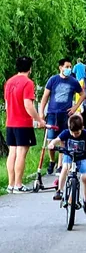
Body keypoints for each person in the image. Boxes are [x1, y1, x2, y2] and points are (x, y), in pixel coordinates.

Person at [4, 56, 46, 194]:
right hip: (23, 123)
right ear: (30, 68)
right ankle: (18, 184)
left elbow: (6, 104)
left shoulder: (9, 82)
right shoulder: (28, 82)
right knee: (21, 153)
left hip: (10, 122)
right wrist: (39, 120)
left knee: (13, 152)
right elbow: (28, 104)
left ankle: (10, 184)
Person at [39, 58, 86, 176]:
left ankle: (60, 166)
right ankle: (51, 161)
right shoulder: (53, 80)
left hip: (65, 114)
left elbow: (83, 94)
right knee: (50, 139)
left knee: (62, 140)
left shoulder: (73, 81)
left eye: (70, 67)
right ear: (61, 67)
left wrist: (75, 107)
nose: (69, 69)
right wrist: (41, 112)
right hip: (52, 113)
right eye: (67, 66)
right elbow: (45, 96)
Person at [48, 114, 86, 214]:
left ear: (82, 128)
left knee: (85, 178)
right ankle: (59, 190)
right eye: (72, 133)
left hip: (81, 158)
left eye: (77, 133)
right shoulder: (66, 133)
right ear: (69, 129)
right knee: (65, 168)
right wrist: (52, 144)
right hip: (69, 156)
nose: (74, 135)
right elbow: (57, 139)